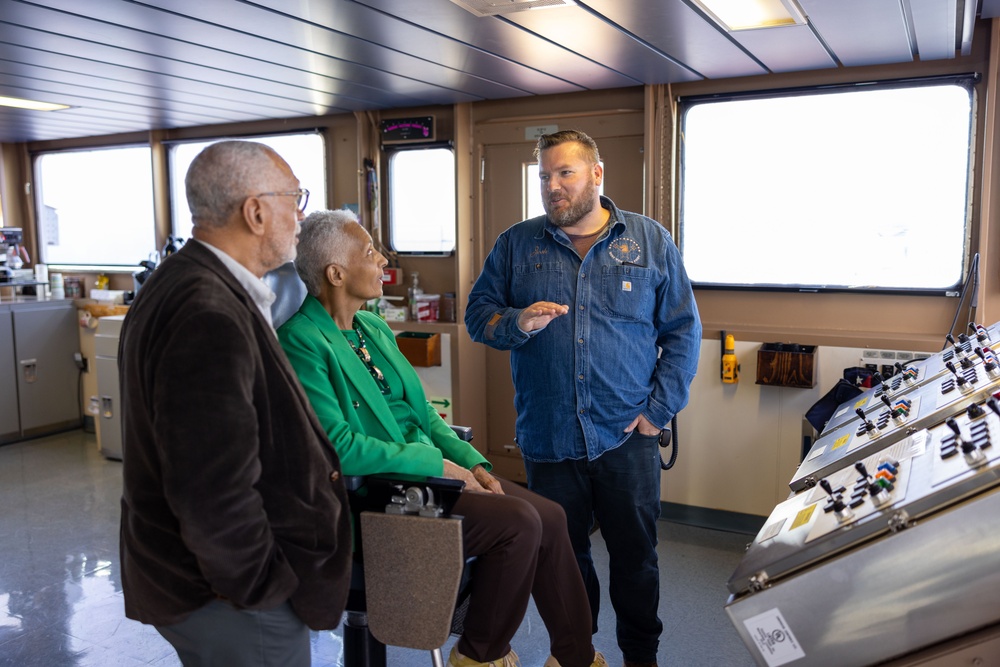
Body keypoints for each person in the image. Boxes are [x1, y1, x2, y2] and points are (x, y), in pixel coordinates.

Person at [277, 208, 608, 667]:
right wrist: (435, 465)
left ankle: (576, 656)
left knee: (550, 516)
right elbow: (338, 447)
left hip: (429, 475)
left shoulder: (372, 327)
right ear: (335, 273)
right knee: (519, 524)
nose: (382, 260)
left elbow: (426, 416)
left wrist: (472, 463)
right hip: (375, 493)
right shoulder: (302, 341)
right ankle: (478, 655)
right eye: (370, 251)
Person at [465, 130, 702, 667]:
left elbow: (683, 333)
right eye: (544, 176)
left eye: (564, 173)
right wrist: (517, 322)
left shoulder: (649, 241)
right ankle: (578, 654)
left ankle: (642, 658)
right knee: (564, 561)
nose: (552, 186)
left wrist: (655, 413)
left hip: (627, 436)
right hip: (548, 437)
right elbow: (478, 315)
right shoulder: (516, 244)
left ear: (597, 174)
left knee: (636, 561)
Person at [118, 140, 353, 666]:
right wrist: (260, 587)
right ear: (256, 211)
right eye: (296, 198)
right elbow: (210, 487)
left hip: (214, 582)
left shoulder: (188, 283)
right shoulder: (208, 311)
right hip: (231, 598)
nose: (302, 214)